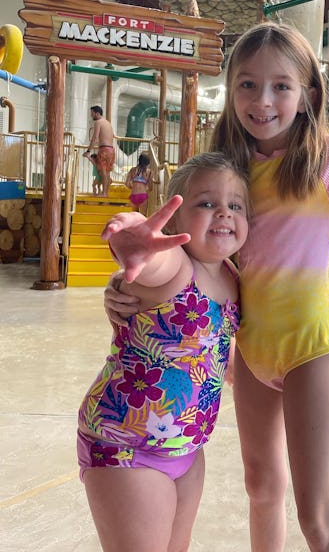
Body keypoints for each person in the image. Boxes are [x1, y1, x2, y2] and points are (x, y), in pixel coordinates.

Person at [105, 22, 329, 551]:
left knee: (317, 515)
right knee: (261, 486)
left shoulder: (326, 159)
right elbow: (185, 257)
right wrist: (124, 288)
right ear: (231, 91)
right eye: (247, 85)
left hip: (311, 349)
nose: (263, 100)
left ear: (307, 96)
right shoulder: (228, 170)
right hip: (252, 351)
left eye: (281, 85)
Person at [78, 151, 249, 552]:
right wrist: (133, 238)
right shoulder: (175, 268)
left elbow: (216, 355)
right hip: (126, 445)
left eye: (235, 205)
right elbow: (151, 258)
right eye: (206, 203)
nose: (223, 212)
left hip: (188, 447)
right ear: (172, 220)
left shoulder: (232, 276)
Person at [83, 105, 115, 197]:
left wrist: (88, 151)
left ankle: (104, 193)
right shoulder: (108, 123)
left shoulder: (98, 122)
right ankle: (106, 192)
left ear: (97, 113)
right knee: (107, 172)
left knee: (103, 172)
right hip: (111, 149)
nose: (91, 116)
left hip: (104, 149)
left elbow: (95, 137)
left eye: (92, 114)